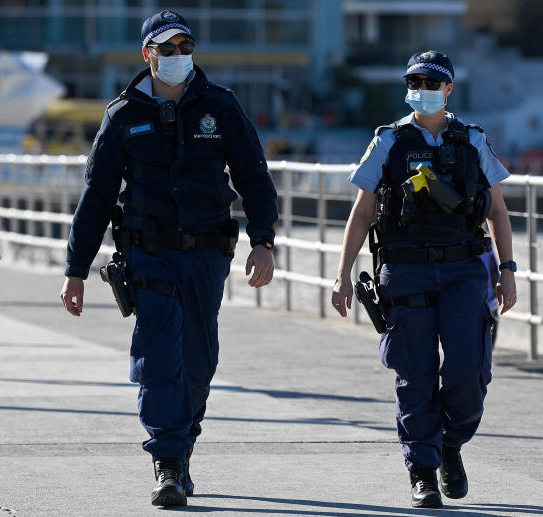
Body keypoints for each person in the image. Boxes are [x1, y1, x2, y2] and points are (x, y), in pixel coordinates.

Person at [59, 10, 278, 508]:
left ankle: (182, 446)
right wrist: (75, 271)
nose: (178, 56)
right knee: (159, 358)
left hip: (206, 257)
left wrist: (262, 242)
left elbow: (255, 179)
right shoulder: (122, 116)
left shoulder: (221, 107)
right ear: (147, 54)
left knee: (198, 363)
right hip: (148, 257)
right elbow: (95, 199)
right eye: (168, 48)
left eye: (185, 47)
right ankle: (167, 460)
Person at [330, 50, 517, 509]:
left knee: (469, 372)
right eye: (415, 81)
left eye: (433, 83)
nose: (423, 89)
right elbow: (361, 212)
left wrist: (508, 271)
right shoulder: (389, 142)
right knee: (414, 375)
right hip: (406, 270)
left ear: (449, 89)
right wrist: (343, 275)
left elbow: (497, 210)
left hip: (465, 270)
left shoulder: (472, 140)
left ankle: (451, 445)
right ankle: (423, 470)